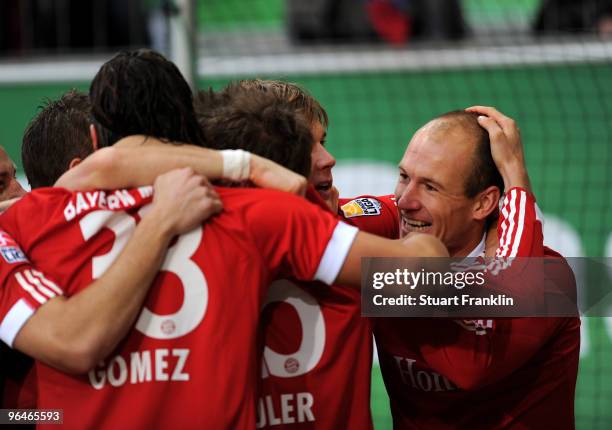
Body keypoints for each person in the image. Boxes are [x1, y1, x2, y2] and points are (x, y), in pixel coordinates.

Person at [2, 49, 447, 429]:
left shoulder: (31, 225)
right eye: (314, 146)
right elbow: (489, 297)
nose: (330, 160)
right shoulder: (264, 220)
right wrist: (512, 201)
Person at [373, 107, 580, 429]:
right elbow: (309, 222)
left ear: (483, 204)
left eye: (431, 187)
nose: (405, 200)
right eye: (404, 176)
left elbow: (471, 367)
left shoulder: (550, 281)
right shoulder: (386, 248)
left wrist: (516, 180)